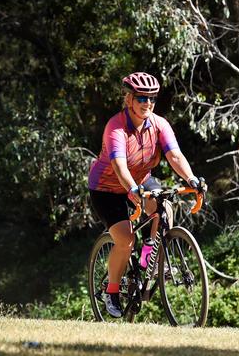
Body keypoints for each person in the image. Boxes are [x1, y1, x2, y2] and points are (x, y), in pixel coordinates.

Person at [88, 72, 205, 318]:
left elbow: (175, 155)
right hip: (107, 188)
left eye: (151, 98)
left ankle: (149, 258)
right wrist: (133, 191)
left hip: (139, 181)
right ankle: (111, 291)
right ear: (129, 99)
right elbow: (120, 167)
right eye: (141, 98)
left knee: (165, 209)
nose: (147, 103)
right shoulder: (116, 127)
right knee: (125, 239)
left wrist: (192, 180)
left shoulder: (159, 124)